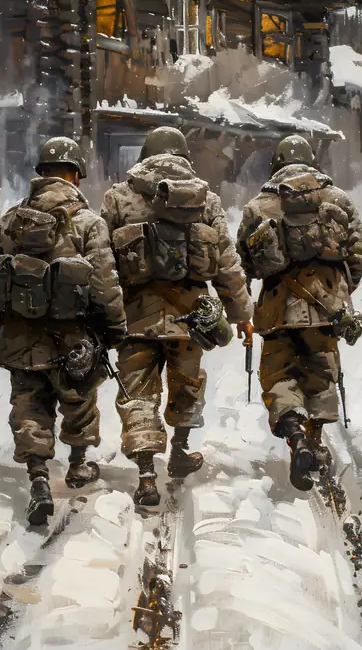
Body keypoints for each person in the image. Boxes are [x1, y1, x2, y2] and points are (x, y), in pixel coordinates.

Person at [0, 137, 126, 526]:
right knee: (78, 398)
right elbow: (105, 283)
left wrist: (0, 331)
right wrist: (113, 328)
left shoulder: (10, 220)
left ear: (40, 173)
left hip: (20, 335)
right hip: (73, 337)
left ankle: (39, 478)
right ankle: (77, 465)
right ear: (75, 173)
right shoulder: (88, 222)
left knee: (28, 405)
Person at [101, 127, 253, 507]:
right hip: (191, 315)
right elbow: (226, 263)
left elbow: (101, 261)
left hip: (134, 317)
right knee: (187, 381)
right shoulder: (207, 200)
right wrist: (241, 314)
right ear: (184, 155)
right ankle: (181, 451)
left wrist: (100, 312)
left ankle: (146, 474)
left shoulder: (119, 197)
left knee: (137, 393)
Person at [237, 135, 362, 491]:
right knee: (321, 375)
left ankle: (295, 436)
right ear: (312, 162)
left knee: (279, 376)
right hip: (326, 313)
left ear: (276, 165)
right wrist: (341, 289)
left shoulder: (259, 207)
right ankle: (314, 442)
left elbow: (244, 264)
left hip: (277, 311)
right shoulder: (337, 200)